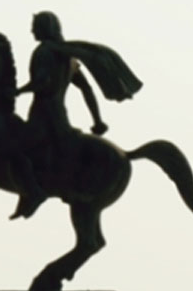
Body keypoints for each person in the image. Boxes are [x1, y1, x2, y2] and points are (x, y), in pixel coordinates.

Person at [14, 11, 142, 219]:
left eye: (35, 26)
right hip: (60, 116)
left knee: (14, 148)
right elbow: (86, 89)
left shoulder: (44, 51)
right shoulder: (68, 56)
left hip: (43, 116)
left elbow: (42, 83)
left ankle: (34, 193)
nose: (32, 31)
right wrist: (97, 120)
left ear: (44, 28)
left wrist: (17, 91)